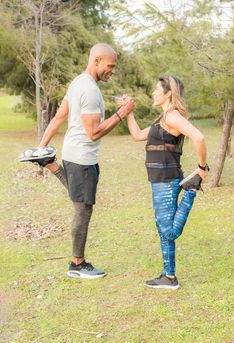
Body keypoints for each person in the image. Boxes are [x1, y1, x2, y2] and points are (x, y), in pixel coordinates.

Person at [21, 43, 135, 279]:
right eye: (110, 66)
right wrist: (122, 114)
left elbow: (60, 116)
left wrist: (41, 147)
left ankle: (49, 162)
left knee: (79, 196)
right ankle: (77, 264)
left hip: (74, 155)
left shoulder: (78, 82)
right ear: (96, 60)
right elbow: (93, 132)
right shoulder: (90, 90)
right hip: (82, 158)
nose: (112, 71)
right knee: (83, 209)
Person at [119, 76, 209, 289]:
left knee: (169, 232)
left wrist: (201, 169)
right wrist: (129, 112)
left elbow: (200, 138)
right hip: (160, 180)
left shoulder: (173, 116)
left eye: (156, 89)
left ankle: (191, 189)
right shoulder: (163, 118)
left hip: (167, 181)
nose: (153, 93)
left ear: (168, 93)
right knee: (162, 230)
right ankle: (169, 277)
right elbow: (138, 135)